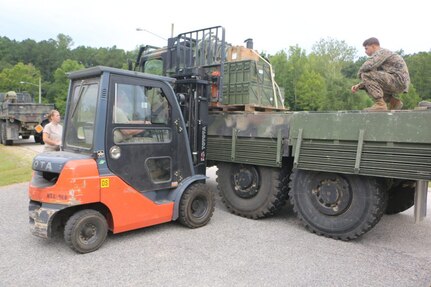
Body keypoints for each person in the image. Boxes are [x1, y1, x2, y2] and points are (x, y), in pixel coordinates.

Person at [351, 37, 410, 111]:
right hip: (395, 81)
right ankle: (394, 102)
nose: (365, 52)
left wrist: (360, 74)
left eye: (366, 48)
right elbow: (373, 79)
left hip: (397, 80)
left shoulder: (382, 52)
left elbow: (369, 65)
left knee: (365, 74)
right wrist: (359, 86)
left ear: (373, 46)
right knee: (366, 84)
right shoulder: (381, 57)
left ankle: (380, 104)